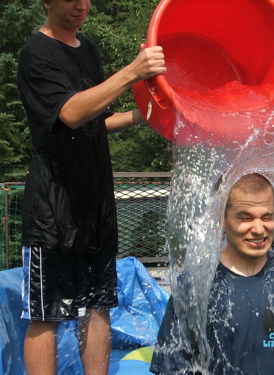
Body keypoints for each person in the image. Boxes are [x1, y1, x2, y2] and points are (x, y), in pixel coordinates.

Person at [17, 1, 166, 374]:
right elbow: (69, 113)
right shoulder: (36, 53)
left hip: (96, 200)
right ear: (46, 2)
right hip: (54, 202)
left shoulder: (90, 50)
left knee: (100, 304)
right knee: (46, 313)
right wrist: (132, 71)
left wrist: (149, 115)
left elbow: (100, 119)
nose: (81, 4)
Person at [150, 173, 274, 374]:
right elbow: (172, 368)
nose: (258, 229)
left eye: (267, 217)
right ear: (221, 217)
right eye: (245, 218)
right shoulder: (195, 286)